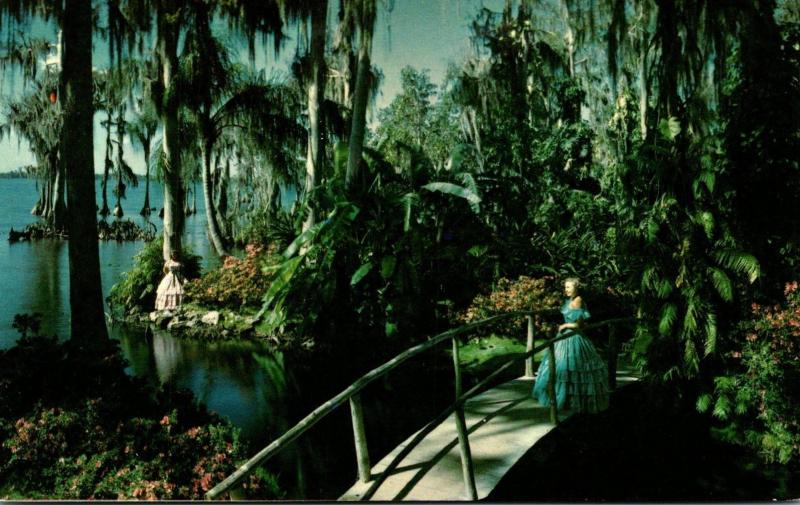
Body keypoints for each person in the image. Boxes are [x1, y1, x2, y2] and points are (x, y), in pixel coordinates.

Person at [533, 277, 609, 413]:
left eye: (569, 287)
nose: (566, 289)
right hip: (564, 338)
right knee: (561, 367)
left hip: (573, 338)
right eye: (566, 287)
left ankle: (567, 401)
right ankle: (560, 398)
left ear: (576, 288)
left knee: (570, 368)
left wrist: (565, 325)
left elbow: (579, 324)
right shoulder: (570, 300)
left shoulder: (578, 300)